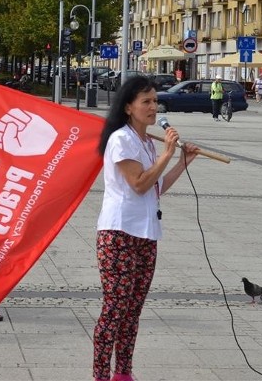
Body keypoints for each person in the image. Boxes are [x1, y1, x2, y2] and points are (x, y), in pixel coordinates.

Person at [93, 76, 199, 381]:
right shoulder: (120, 140)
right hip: (119, 234)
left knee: (133, 310)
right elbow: (139, 184)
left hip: (146, 233)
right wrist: (167, 153)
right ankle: (101, 374)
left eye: (155, 101)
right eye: (146, 102)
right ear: (129, 107)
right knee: (115, 308)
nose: (154, 107)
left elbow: (155, 186)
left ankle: (123, 373)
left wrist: (182, 161)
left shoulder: (145, 142)